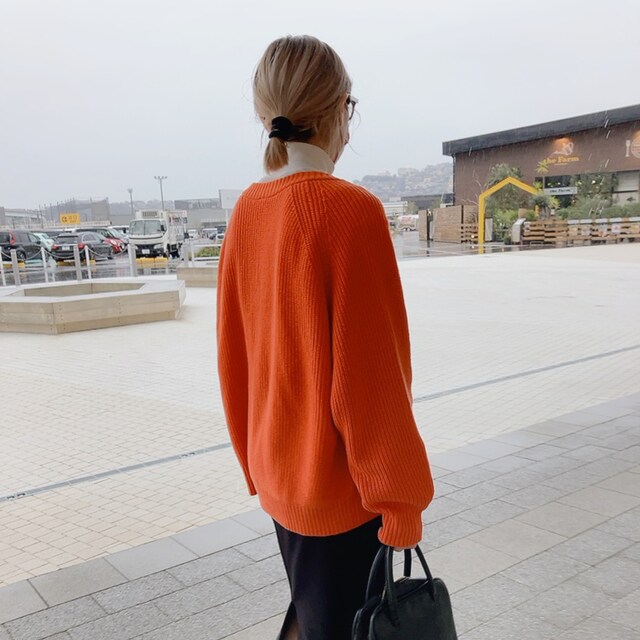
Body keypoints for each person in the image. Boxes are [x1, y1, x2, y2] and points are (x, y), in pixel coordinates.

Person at [217, 35, 434, 640]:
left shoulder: (248, 210)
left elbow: (234, 358)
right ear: (340, 109)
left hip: (281, 479)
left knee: (316, 618)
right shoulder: (350, 211)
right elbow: (371, 378)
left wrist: (256, 462)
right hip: (343, 497)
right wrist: (401, 502)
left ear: (267, 116)